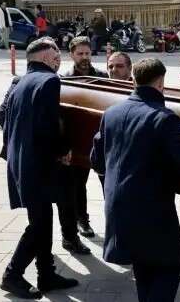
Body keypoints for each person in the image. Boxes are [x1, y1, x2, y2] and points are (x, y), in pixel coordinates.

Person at [90, 58, 180, 302]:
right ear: (160, 84)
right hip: (150, 210)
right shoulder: (164, 118)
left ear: (134, 81)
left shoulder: (111, 113)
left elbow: (97, 161)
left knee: (144, 265)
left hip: (116, 206)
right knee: (172, 264)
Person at [0, 38, 79, 299]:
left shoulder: (21, 81)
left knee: (42, 220)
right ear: (45, 58)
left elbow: (5, 119)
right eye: (55, 57)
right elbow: (48, 124)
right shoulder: (49, 81)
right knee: (39, 224)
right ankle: (12, 275)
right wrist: (63, 150)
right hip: (38, 163)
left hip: (22, 160)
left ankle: (46, 274)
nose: (58, 61)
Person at [0, 74, 91, 257]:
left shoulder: (60, 82)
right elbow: (3, 115)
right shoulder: (19, 82)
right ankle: (41, 248)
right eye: (53, 58)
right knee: (39, 210)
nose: (56, 61)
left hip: (60, 157)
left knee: (67, 199)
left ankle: (70, 238)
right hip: (36, 157)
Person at [60, 36, 107, 238]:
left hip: (102, 140)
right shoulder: (65, 79)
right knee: (78, 185)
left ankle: (115, 221)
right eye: (80, 53)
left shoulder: (103, 76)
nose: (85, 57)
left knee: (108, 184)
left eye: (87, 53)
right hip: (78, 142)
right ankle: (82, 220)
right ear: (72, 55)